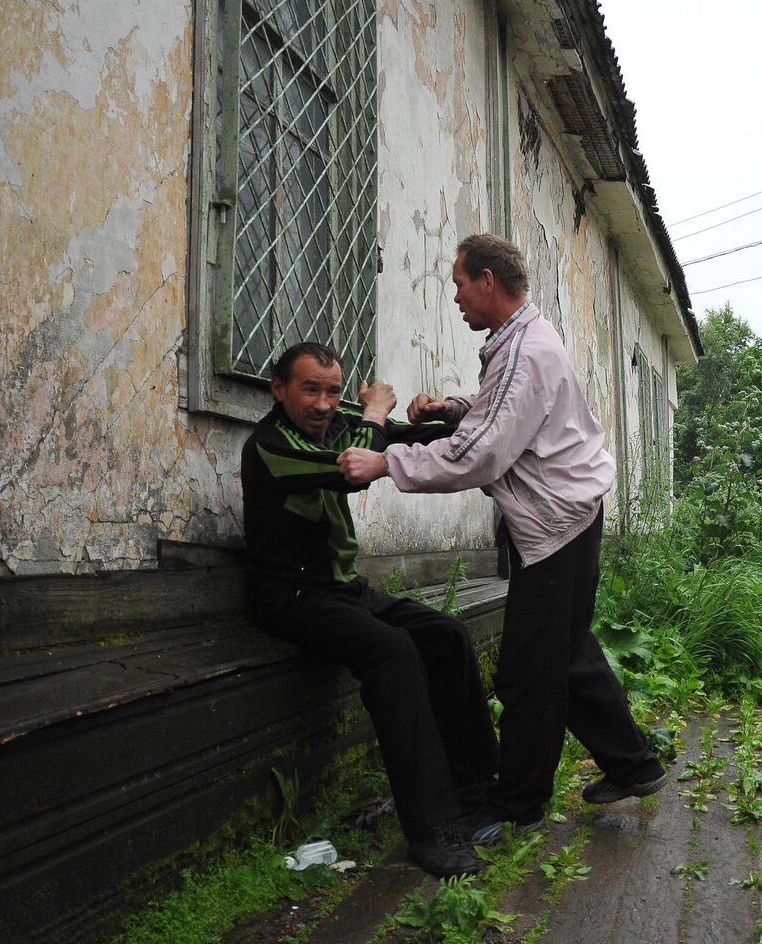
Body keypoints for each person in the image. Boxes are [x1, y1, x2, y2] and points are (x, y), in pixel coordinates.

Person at [337, 233, 666, 845]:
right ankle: (634, 764)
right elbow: (505, 413)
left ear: (487, 280)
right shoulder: (520, 342)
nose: (456, 294)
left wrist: (386, 463)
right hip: (571, 515)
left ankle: (520, 803)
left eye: (460, 281)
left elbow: (481, 455)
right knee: (563, 652)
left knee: (528, 672)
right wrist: (453, 406)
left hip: (557, 525)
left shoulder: (522, 351)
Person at [240, 342, 498, 877]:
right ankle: (432, 828)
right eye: (309, 389)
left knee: (446, 635)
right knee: (393, 651)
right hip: (289, 595)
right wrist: (376, 411)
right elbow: (354, 469)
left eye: (333, 391)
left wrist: (450, 420)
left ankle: (479, 792)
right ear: (278, 390)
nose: (323, 404)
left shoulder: (340, 423)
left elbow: (395, 442)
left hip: (342, 589)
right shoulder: (267, 446)